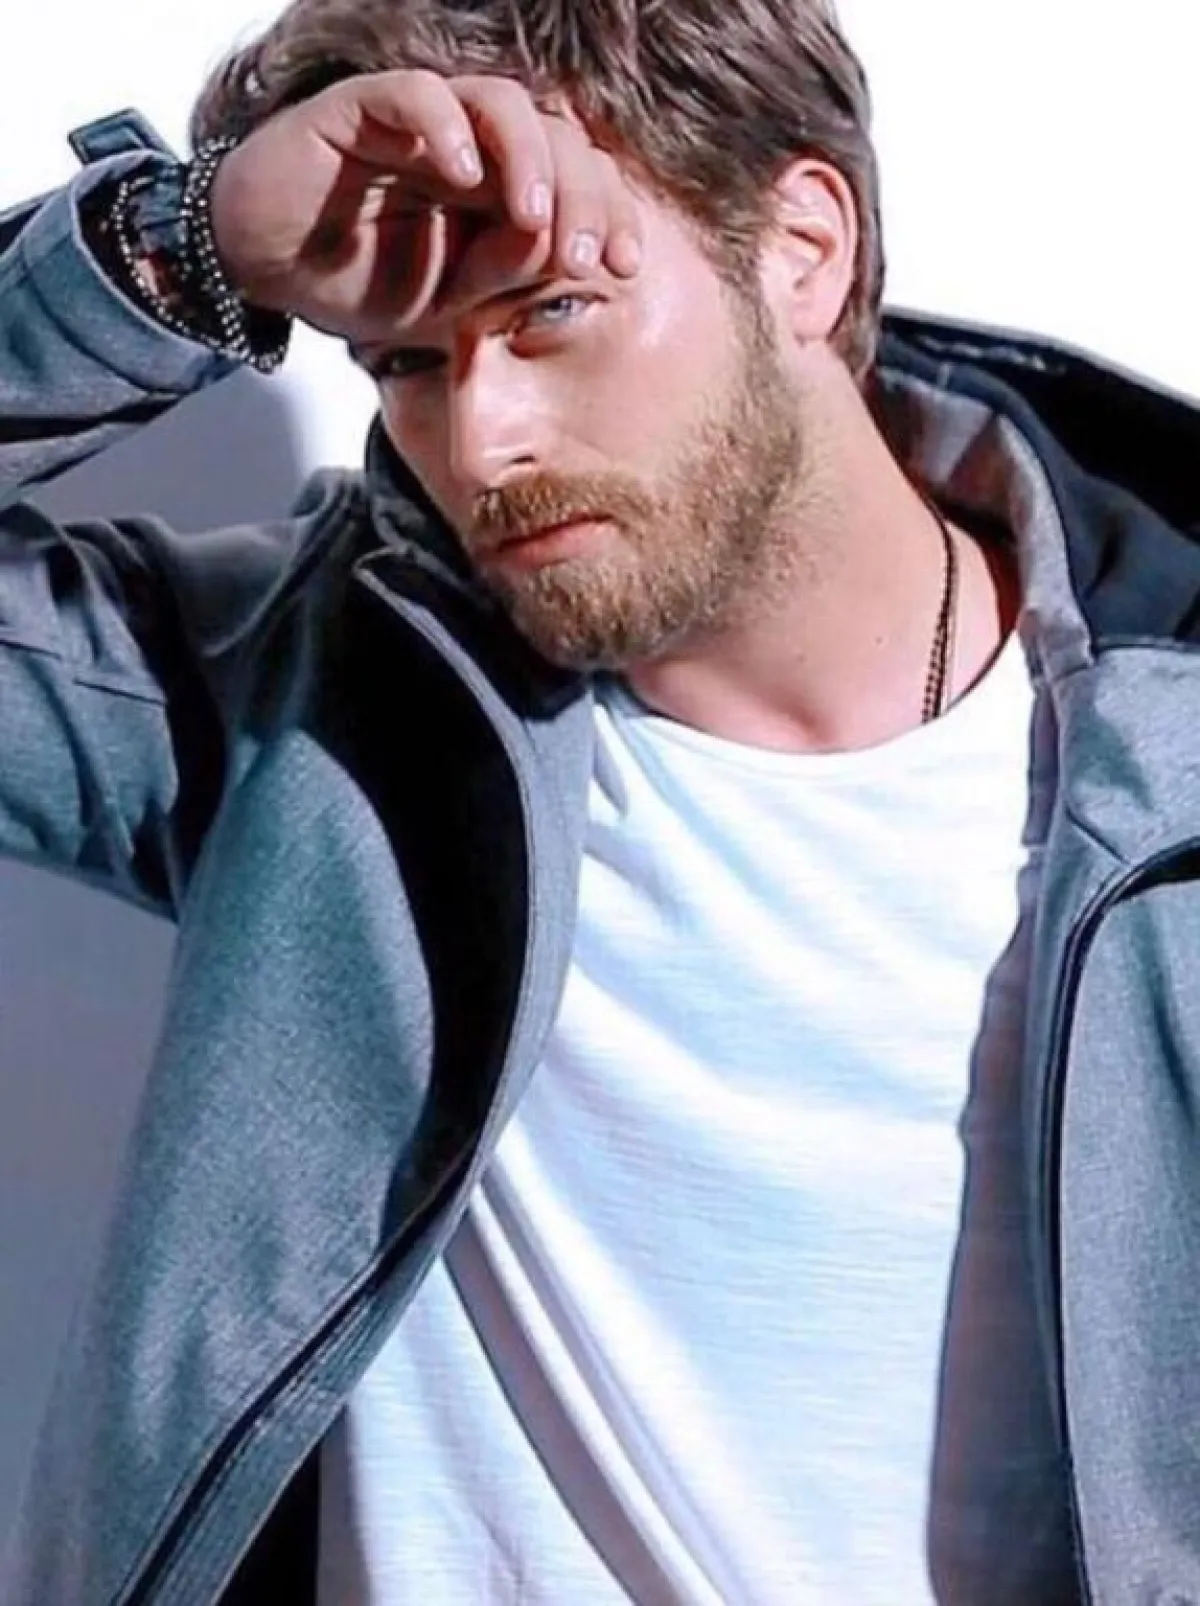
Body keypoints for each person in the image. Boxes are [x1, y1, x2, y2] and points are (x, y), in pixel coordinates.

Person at [3, 0, 1199, 1601]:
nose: (480, 441)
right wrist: (177, 246)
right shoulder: (312, 706)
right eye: (407, 362)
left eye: (553, 309)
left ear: (803, 250)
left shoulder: (1166, 796)